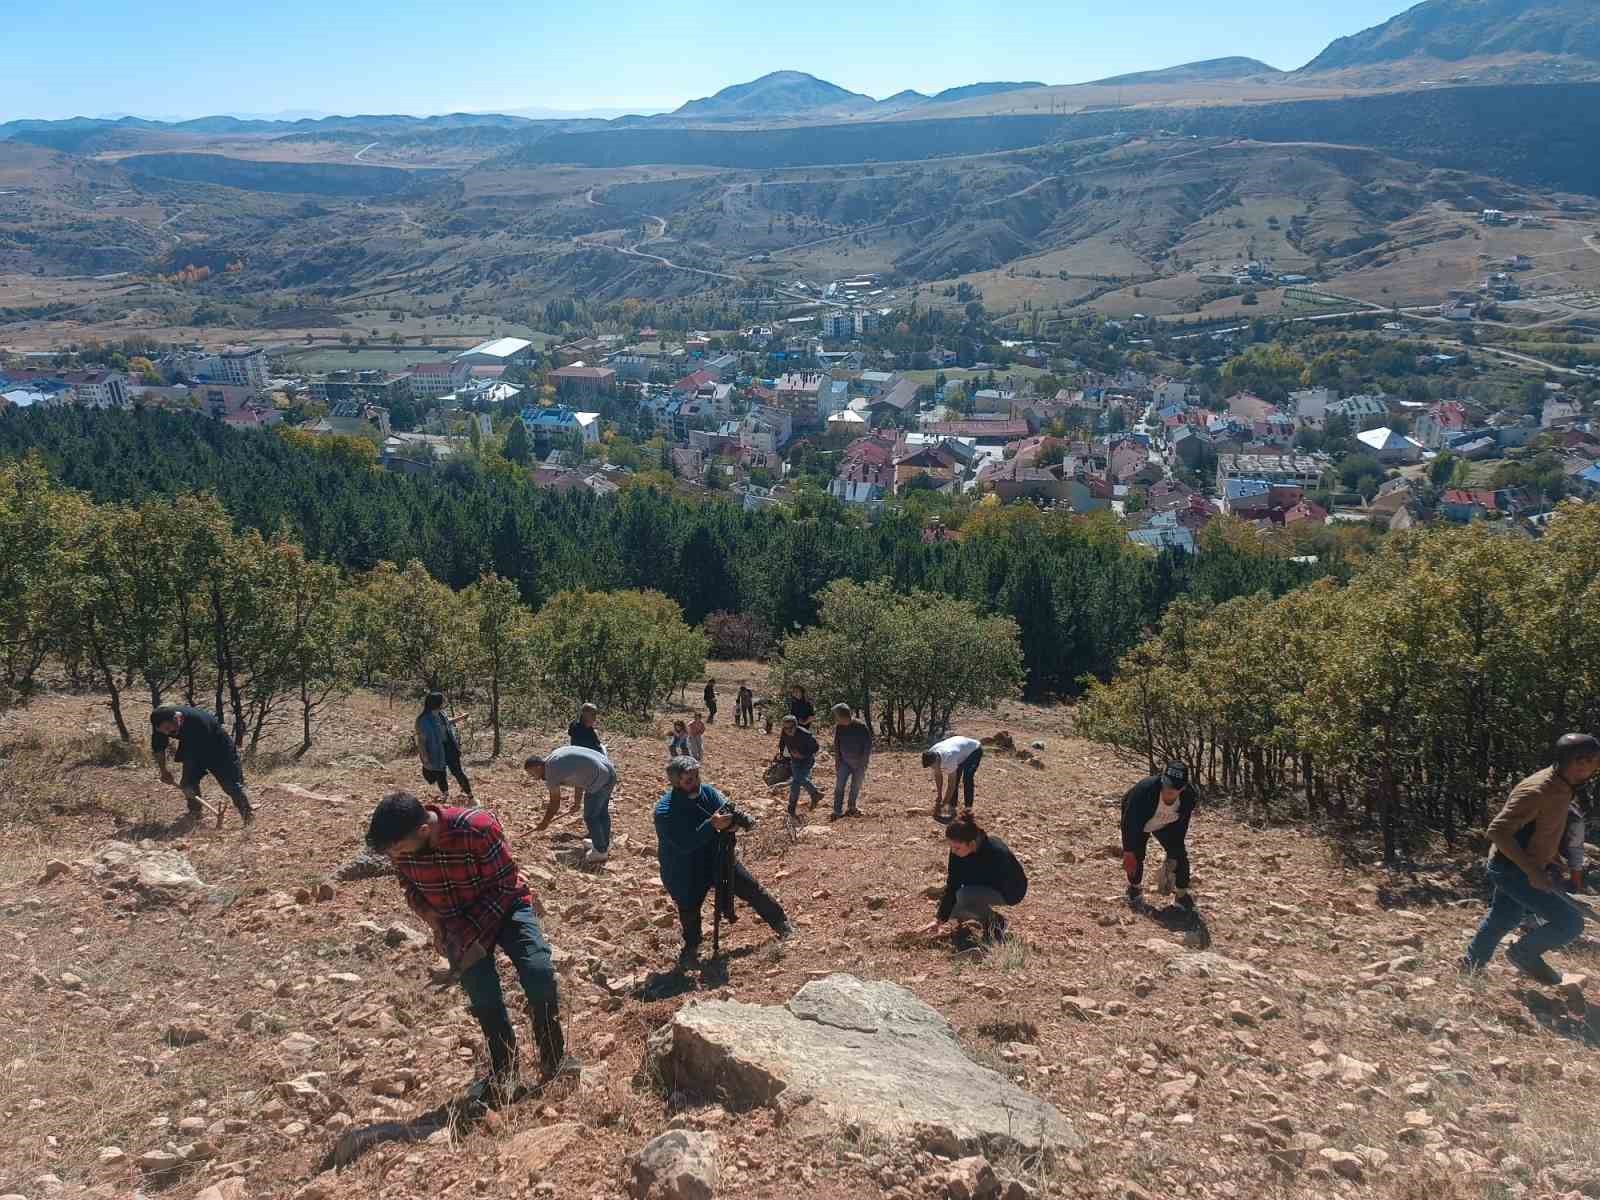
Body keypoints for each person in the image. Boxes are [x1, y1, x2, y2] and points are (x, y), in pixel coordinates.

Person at [365, 792, 573, 1103]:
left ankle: (553, 1057)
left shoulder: (477, 827)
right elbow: (409, 885)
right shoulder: (402, 846)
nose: (396, 855)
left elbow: (505, 883)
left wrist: (466, 931)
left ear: (423, 830)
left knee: (539, 973)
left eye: (398, 848)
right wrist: (432, 919)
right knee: (484, 999)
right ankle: (505, 1071)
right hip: (455, 922)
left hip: (505, 909)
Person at [1462, 734, 1600, 983]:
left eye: (1595, 762)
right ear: (1572, 761)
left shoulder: (1564, 784)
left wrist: (1551, 855)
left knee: (1504, 917)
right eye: (1588, 761)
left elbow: (1542, 826)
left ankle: (1470, 968)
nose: (1591, 767)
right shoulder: (1539, 790)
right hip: (1513, 869)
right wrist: (1533, 871)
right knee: (1570, 923)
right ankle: (1523, 953)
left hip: (1521, 866)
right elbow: (1497, 831)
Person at [654, 756, 793, 967]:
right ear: (676, 783)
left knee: (751, 888)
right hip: (685, 868)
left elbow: (727, 809)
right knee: (689, 908)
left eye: (697, 777)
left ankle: (781, 924)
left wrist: (734, 823)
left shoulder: (707, 792)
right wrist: (713, 825)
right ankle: (692, 946)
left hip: (717, 857)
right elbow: (684, 843)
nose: (696, 782)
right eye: (689, 780)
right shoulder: (665, 812)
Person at [921, 816, 1028, 943]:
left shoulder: (996, 852)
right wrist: (939, 920)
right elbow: (953, 884)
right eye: (951, 847)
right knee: (951, 910)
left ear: (971, 844)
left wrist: (969, 894)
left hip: (1011, 891)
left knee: (964, 895)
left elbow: (1010, 881)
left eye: (957, 848)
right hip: (983, 886)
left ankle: (996, 923)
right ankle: (979, 917)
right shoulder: (959, 851)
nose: (953, 852)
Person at [151, 705, 254, 825]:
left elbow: (197, 753)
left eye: (169, 729)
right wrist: (164, 771)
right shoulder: (161, 723)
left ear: (176, 719)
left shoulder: (198, 722)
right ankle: (195, 814)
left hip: (220, 749)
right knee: (188, 784)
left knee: (231, 785)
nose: (167, 733)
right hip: (193, 747)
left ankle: (248, 817)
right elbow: (159, 747)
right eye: (163, 731)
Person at [1121, 762, 1200, 912]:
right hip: (1140, 822)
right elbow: (1128, 822)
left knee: (1180, 857)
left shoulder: (1189, 797)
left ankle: (1182, 896)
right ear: (1162, 778)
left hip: (1166, 824)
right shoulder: (1144, 790)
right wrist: (1128, 851)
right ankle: (1134, 888)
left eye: (1175, 787)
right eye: (1167, 784)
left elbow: (1182, 823)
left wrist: (1173, 853)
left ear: (1183, 787)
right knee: (1135, 856)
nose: (1169, 790)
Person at [527, 746, 617, 866]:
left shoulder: (551, 773)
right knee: (601, 813)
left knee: (591, 816)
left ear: (538, 767)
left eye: (532, 773)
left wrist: (545, 822)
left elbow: (554, 803)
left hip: (600, 778)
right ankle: (601, 844)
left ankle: (600, 851)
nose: (532, 777)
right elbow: (579, 775)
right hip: (609, 772)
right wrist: (577, 802)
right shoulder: (553, 758)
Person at [416, 692, 474, 804]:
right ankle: (445, 795)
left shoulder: (442, 714)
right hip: (435, 750)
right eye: (443, 700)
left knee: (458, 772)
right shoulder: (423, 720)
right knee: (440, 773)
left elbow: (447, 723)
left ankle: (470, 795)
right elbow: (421, 741)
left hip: (449, 747)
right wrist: (425, 757)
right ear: (437, 702)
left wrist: (461, 718)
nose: (445, 701)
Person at [923, 734, 983, 821]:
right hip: (959, 748)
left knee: (967, 778)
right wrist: (939, 795)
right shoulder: (932, 752)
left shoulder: (949, 758)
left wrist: (943, 804)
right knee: (956, 777)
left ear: (936, 760)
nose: (932, 768)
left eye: (933, 766)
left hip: (974, 750)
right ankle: (952, 807)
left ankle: (968, 810)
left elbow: (951, 785)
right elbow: (938, 774)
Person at [831, 703, 873, 820]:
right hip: (844, 762)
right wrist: (837, 761)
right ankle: (837, 811)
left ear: (843, 715)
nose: (835, 719)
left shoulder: (861, 726)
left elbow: (867, 746)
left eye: (836, 716)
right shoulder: (839, 727)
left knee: (855, 786)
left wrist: (863, 763)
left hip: (859, 764)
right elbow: (837, 745)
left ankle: (851, 807)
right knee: (839, 786)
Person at [777, 715, 822, 815]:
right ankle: (814, 795)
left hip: (807, 761)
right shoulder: (784, 732)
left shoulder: (805, 734)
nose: (787, 730)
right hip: (794, 761)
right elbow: (782, 743)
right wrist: (782, 755)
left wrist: (803, 754)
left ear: (796, 726)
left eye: (790, 727)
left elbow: (816, 747)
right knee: (796, 782)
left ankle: (792, 807)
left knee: (797, 779)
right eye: (785, 728)